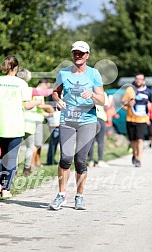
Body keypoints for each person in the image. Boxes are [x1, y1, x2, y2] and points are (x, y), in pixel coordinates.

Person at [48, 41, 105, 210]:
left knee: (80, 160)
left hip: (87, 121)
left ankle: (79, 196)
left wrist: (93, 95)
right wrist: (58, 101)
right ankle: (61, 195)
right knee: (65, 158)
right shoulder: (64, 73)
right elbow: (55, 92)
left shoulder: (94, 74)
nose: (78, 56)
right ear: (72, 55)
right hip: (67, 120)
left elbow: (102, 100)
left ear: (87, 54)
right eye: (75, 53)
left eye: (81, 53)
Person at [0, 55, 42, 198]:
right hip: (15, 125)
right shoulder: (22, 84)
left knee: (1, 155)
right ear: (16, 68)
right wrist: (37, 102)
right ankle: (6, 189)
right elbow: (27, 105)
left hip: (0, 125)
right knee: (11, 157)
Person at [122, 73, 151, 167]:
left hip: (142, 120)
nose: (138, 80)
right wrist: (128, 105)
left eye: (140, 79)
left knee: (140, 139)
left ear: (143, 81)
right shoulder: (130, 90)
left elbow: (150, 105)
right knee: (132, 141)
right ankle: (134, 154)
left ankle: (138, 159)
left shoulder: (148, 92)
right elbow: (123, 104)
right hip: (130, 119)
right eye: (137, 79)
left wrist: (149, 109)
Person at [31, 79, 54, 169]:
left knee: (39, 143)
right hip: (36, 120)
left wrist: (48, 114)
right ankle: (32, 164)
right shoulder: (37, 93)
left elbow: (39, 110)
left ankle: (37, 162)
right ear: (43, 84)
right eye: (47, 86)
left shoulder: (39, 93)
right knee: (36, 143)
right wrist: (49, 107)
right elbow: (38, 105)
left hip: (39, 118)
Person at [88, 92, 110, 168]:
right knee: (100, 141)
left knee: (91, 141)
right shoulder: (103, 93)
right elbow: (106, 107)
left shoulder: (88, 92)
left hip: (90, 118)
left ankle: (90, 160)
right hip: (101, 117)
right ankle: (100, 160)